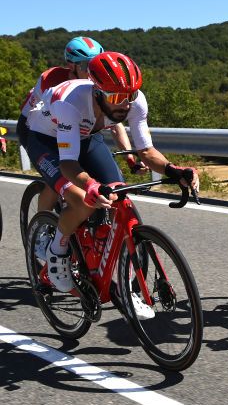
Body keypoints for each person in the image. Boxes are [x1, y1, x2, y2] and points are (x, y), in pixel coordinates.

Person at [23, 52, 199, 308]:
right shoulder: (70, 103)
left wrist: (174, 171)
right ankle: (56, 252)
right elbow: (69, 163)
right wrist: (90, 185)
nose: (125, 105)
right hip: (44, 139)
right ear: (97, 92)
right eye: (117, 98)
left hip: (85, 135)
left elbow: (146, 152)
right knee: (83, 200)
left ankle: (112, 273)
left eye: (130, 96)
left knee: (118, 193)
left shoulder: (133, 101)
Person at [17, 37, 141, 225]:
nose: (92, 71)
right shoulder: (51, 80)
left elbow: (115, 124)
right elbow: (39, 118)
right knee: (57, 182)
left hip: (79, 131)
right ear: (71, 66)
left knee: (114, 188)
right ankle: (41, 229)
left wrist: (130, 157)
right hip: (40, 130)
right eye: (85, 65)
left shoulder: (99, 86)